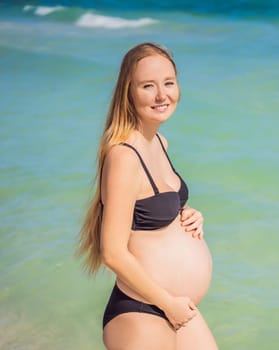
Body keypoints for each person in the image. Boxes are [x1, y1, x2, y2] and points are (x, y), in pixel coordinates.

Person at [78, 42, 217, 350]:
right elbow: (112, 252)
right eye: (147, 86)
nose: (161, 95)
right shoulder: (123, 155)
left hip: (174, 308)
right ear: (129, 92)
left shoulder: (160, 143)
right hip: (144, 310)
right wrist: (167, 303)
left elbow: (149, 211)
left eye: (168, 83)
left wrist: (188, 213)